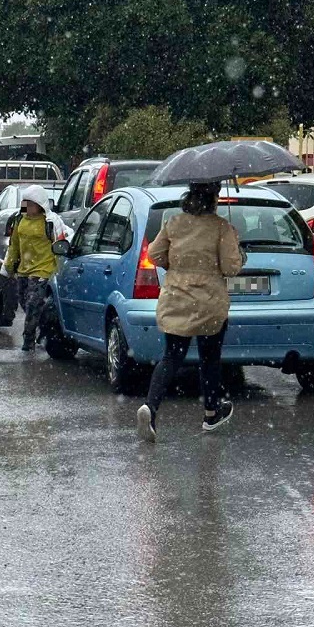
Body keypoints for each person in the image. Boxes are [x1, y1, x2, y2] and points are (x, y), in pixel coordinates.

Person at [136, 181, 245, 442]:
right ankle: (211, 412)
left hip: (176, 298)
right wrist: (240, 254)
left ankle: (150, 408)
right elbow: (231, 268)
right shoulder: (221, 227)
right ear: (214, 198)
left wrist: (177, 266)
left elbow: (155, 254)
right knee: (209, 358)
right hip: (209, 301)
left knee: (172, 356)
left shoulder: (174, 223)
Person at [1, 184, 71, 352]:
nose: (28, 207)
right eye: (26, 203)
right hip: (24, 269)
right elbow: (14, 245)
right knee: (24, 303)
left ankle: (29, 339)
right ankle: (45, 325)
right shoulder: (19, 220)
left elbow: (60, 243)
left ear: (40, 205)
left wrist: (59, 269)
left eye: (31, 203)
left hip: (43, 269)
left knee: (33, 303)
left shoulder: (51, 222)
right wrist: (8, 267)